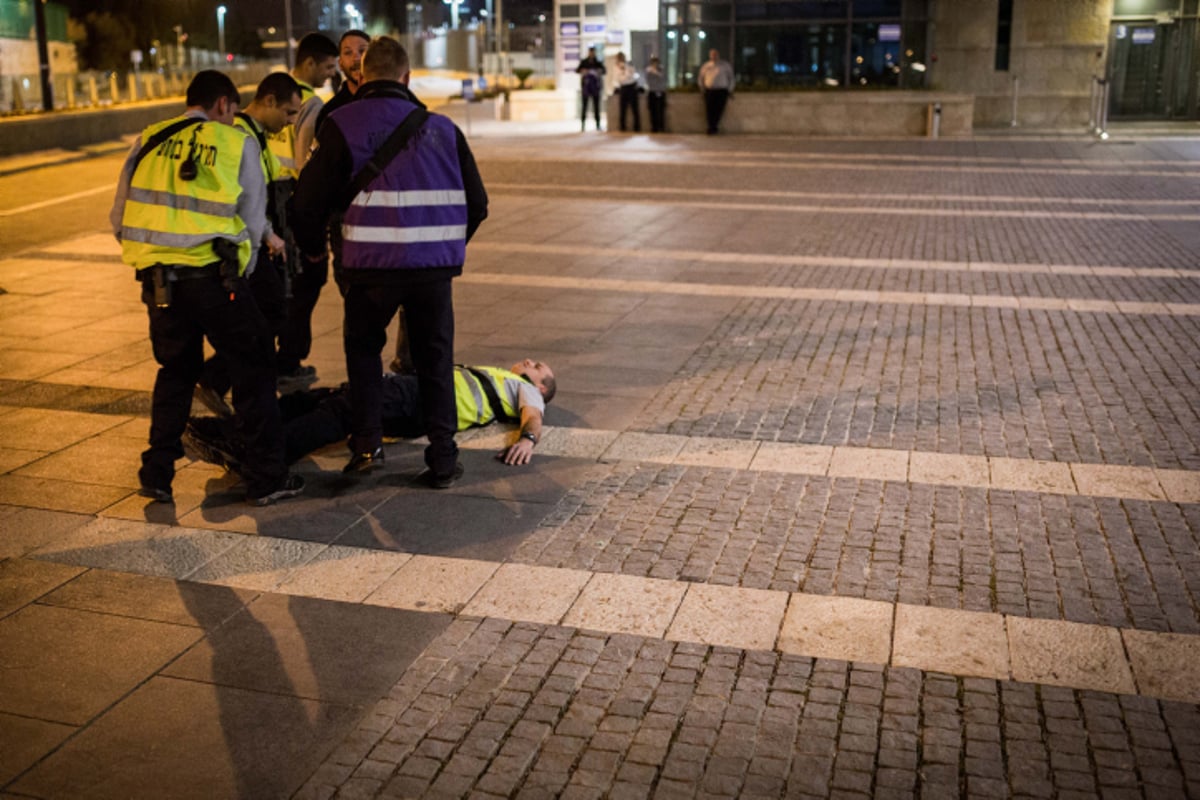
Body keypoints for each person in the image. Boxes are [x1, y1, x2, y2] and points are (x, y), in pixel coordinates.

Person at [291, 36, 488, 488]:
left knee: (363, 352)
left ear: (361, 77)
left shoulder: (341, 123)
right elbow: (477, 203)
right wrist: (443, 246)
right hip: (431, 272)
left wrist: (314, 248)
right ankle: (442, 458)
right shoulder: (444, 129)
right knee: (434, 361)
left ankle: (366, 446)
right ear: (407, 77)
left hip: (369, 268)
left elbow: (306, 202)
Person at [109, 70, 303, 506]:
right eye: (233, 113)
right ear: (223, 105)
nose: (233, 120)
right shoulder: (236, 143)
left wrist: (157, 257)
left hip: (160, 284)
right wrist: (244, 272)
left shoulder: (149, 139)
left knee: (175, 372)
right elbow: (253, 223)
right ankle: (268, 477)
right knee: (254, 367)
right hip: (217, 280)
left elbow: (119, 218)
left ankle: (157, 472)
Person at [184, 359, 556, 473]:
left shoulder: (523, 392)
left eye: (537, 367)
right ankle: (229, 433)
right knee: (317, 400)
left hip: (420, 399)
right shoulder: (506, 378)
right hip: (417, 397)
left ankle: (258, 458)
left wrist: (528, 439)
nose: (529, 362)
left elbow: (532, 417)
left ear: (539, 387)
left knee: (343, 411)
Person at [194, 72, 304, 418]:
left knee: (265, 319)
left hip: (253, 243)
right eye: (288, 113)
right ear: (268, 100)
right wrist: (265, 237)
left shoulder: (253, 134)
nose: (289, 123)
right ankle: (232, 388)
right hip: (243, 249)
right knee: (264, 318)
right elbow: (244, 197)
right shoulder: (239, 136)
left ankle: (244, 388)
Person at [269, 32, 339, 392]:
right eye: (328, 66)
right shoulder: (311, 103)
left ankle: (282, 357)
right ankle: (288, 359)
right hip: (295, 203)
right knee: (307, 281)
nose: (330, 74)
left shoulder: (272, 93)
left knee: (282, 286)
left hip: (270, 203)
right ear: (309, 63)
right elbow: (306, 162)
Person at [698, 48, 735, 135]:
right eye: (712, 54)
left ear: (718, 55)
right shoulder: (706, 66)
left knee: (719, 109)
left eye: (715, 54)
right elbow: (700, 78)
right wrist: (702, 89)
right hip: (710, 91)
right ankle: (710, 127)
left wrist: (729, 90)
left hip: (721, 91)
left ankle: (715, 127)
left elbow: (731, 78)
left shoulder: (725, 66)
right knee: (709, 109)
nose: (714, 56)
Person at [576, 46, 606, 131]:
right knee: (584, 106)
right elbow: (577, 70)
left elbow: (604, 71)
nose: (592, 54)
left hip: (595, 87)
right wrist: (584, 71)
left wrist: (598, 71)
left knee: (596, 107)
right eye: (590, 52)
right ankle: (583, 125)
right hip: (586, 87)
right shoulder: (584, 62)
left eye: (593, 52)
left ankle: (598, 124)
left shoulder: (598, 62)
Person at [613, 52, 642, 133]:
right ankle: (622, 127)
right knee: (622, 109)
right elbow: (619, 78)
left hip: (632, 87)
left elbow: (633, 74)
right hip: (624, 88)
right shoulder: (616, 67)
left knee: (635, 109)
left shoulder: (629, 64)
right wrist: (625, 75)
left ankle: (637, 127)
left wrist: (626, 70)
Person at [645, 56, 667, 133]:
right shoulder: (649, 71)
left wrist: (656, 72)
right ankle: (654, 127)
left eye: (656, 63)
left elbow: (664, 79)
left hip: (661, 91)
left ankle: (661, 127)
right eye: (653, 63)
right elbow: (648, 81)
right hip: (652, 92)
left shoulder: (661, 70)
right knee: (653, 111)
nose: (655, 64)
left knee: (661, 111)